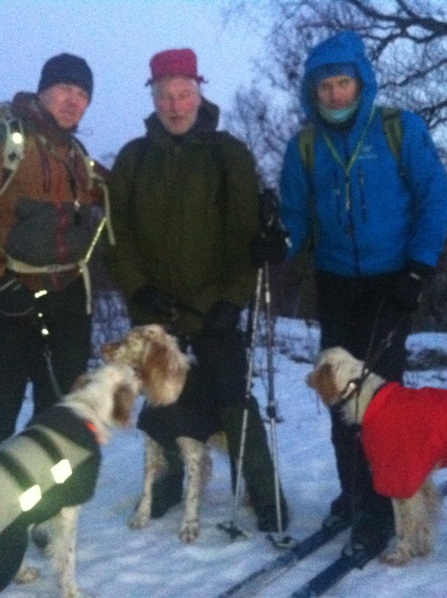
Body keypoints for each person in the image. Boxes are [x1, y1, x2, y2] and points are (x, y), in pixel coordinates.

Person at [276, 31, 447, 552]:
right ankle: (354, 490)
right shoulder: (305, 146)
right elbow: (295, 220)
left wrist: (418, 270)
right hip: (335, 284)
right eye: (324, 86)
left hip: (391, 281)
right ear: (313, 91)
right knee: (339, 394)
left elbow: (435, 200)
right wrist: (275, 242)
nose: (334, 95)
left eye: (342, 83)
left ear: (361, 82)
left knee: (383, 402)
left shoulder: (399, 130)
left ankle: (385, 497)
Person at [106, 48, 287, 532]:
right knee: (164, 401)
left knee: (233, 394)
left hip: (215, 308)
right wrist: (138, 290)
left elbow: (245, 236)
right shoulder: (133, 158)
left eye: (184, 93)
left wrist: (231, 298)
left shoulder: (228, 153)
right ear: (153, 97)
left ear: (199, 92)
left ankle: (265, 494)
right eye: (165, 95)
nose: (175, 104)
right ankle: (166, 486)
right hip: (156, 310)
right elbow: (116, 233)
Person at [0, 53, 108, 468]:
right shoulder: (1, 143)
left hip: (67, 303)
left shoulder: (78, 158)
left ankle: (45, 514)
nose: (73, 100)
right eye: (64, 89)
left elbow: (124, 196)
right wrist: (0, 281)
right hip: (6, 303)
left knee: (60, 416)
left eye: (82, 93)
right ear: (43, 90)